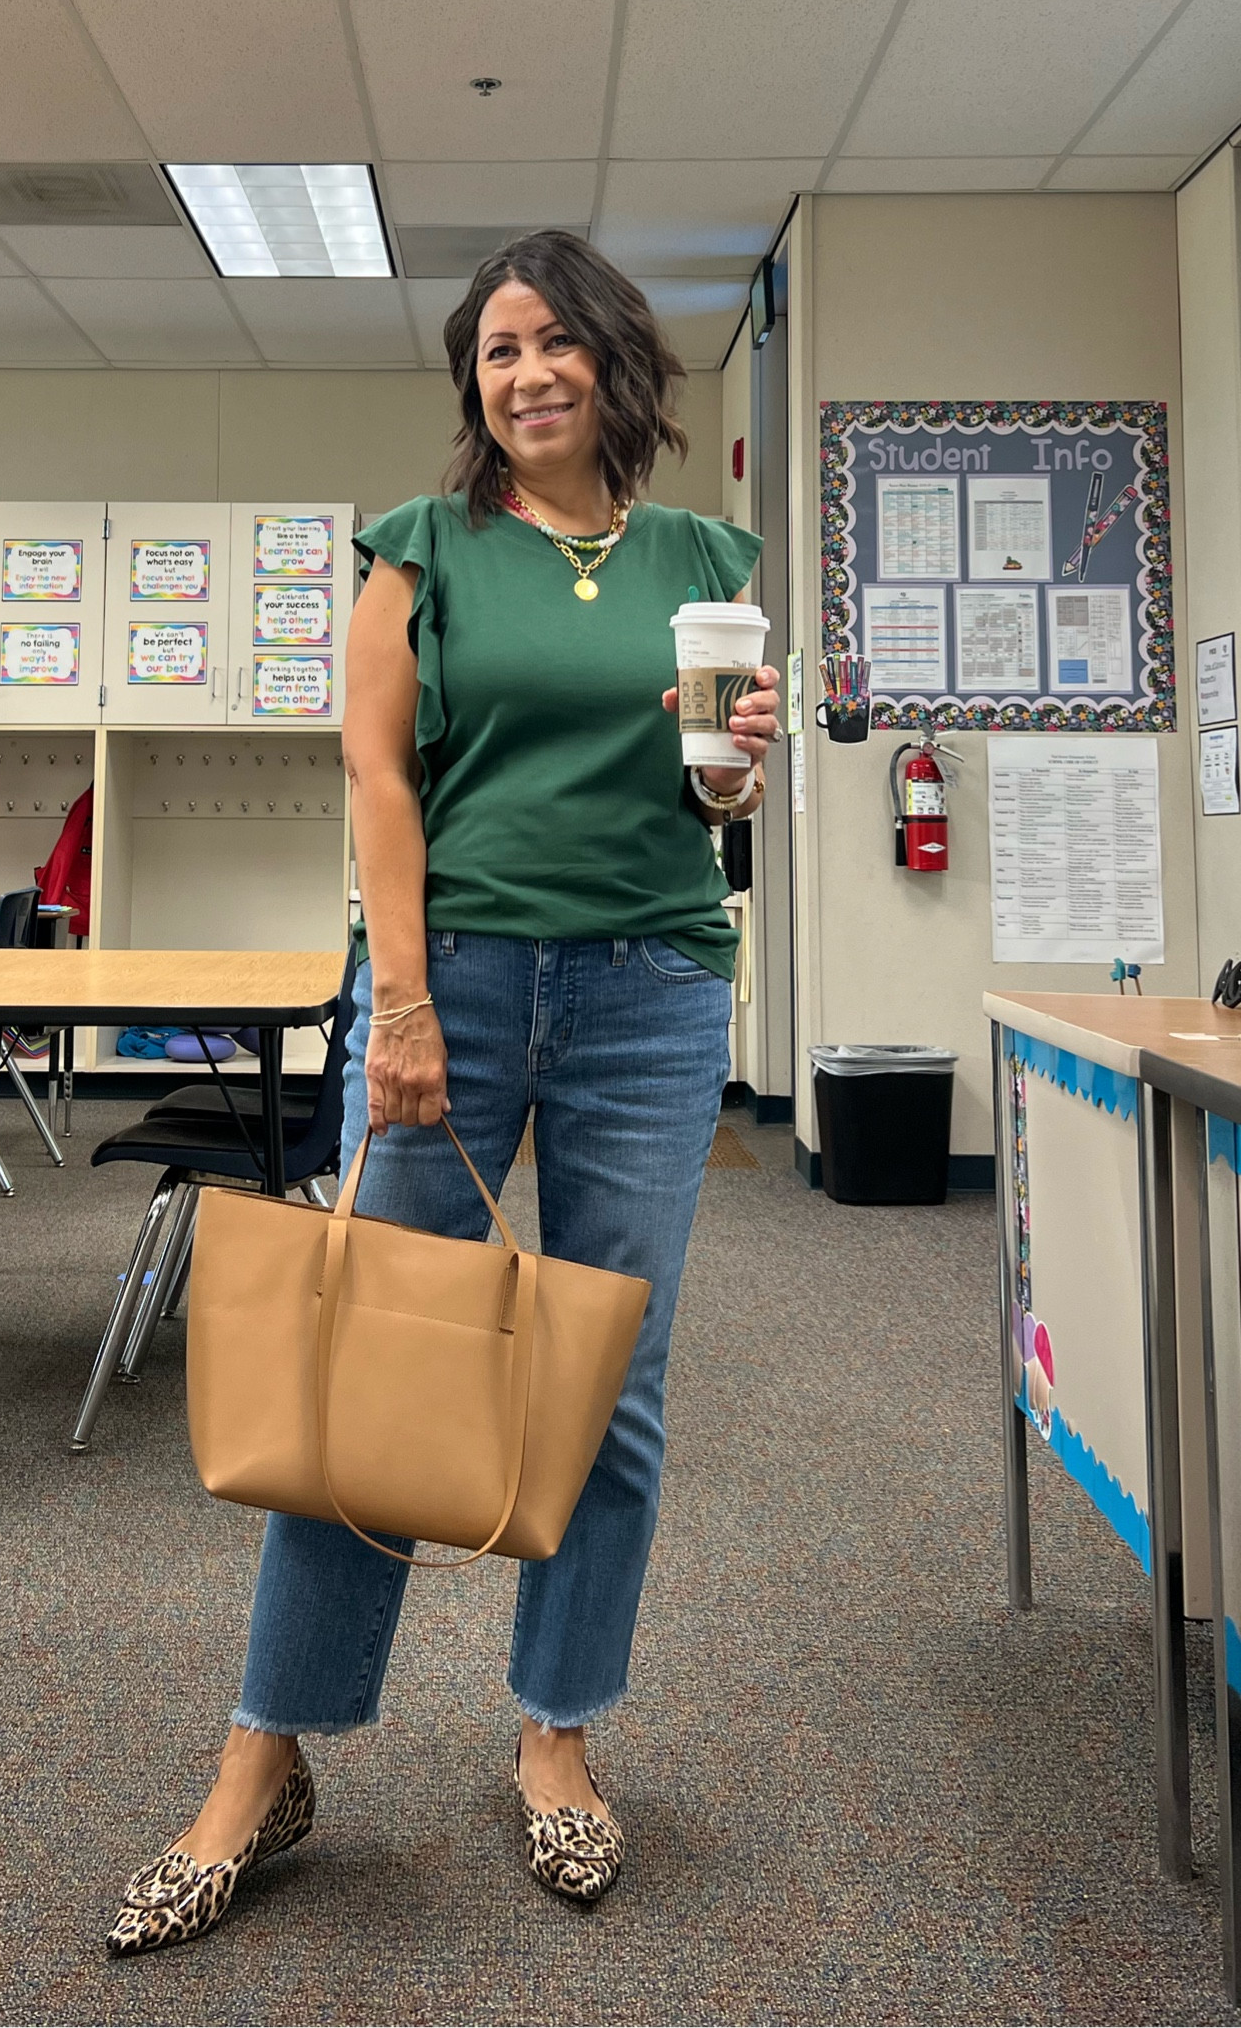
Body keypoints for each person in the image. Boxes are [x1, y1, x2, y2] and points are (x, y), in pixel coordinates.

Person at [108, 230, 782, 1955]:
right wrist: (397, 1003)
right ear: (471, 382)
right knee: (372, 1377)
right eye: (497, 349)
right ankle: (268, 1755)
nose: (527, 372)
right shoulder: (419, 552)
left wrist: (737, 774)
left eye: (559, 343)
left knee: (607, 1384)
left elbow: (703, 810)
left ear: (616, 366)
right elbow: (379, 779)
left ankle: (556, 1731)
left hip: (652, 987)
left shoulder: (709, 556)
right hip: (454, 987)